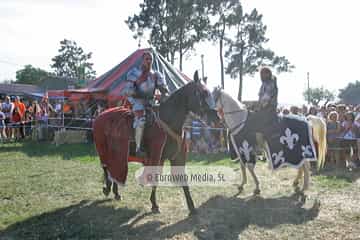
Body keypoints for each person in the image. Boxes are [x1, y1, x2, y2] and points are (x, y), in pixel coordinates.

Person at [125, 51, 169, 157]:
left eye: (150, 59)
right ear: (142, 60)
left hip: (152, 103)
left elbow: (165, 91)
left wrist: (162, 95)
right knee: (141, 120)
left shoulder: (156, 75)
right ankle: (138, 147)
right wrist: (139, 95)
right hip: (137, 101)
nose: (149, 61)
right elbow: (128, 91)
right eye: (147, 59)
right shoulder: (134, 73)